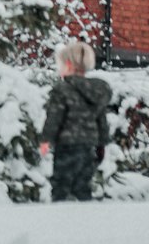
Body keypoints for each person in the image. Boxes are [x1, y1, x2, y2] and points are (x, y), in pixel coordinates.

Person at [39, 39, 112, 202]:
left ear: (69, 65)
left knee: (61, 186)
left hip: (67, 145)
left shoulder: (62, 89)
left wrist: (46, 140)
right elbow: (102, 120)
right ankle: (83, 220)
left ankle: (60, 220)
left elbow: (54, 117)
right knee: (82, 186)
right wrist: (102, 144)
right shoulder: (96, 92)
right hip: (89, 146)